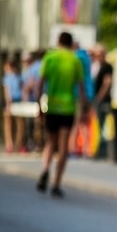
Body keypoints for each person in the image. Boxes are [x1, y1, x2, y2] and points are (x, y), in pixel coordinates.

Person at [36, 31, 87, 198]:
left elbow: (40, 83)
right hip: (67, 108)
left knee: (51, 141)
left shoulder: (50, 58)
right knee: (64, 144)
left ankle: (45, 169)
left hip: (52, 106)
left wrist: (39, 105)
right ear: (71, 44)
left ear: (58, 42)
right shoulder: (75, 60)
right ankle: (56, 183)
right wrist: (84, 108)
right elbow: (81, 87)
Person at [90, 44, 113, 159]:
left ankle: (103, 150)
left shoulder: (107, 67)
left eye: (99, 54)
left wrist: (99, 97)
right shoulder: (97, 66)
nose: (97, 57)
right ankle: (100, 149)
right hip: (98, 99)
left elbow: (107, 83)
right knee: (98, 125)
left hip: (103, 101)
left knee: (103, 126)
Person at [2, 59, 26, 154]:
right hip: (10, 102)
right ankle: (9, 144)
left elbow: (22, 89)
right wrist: (8, 104)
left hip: (18, 101)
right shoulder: (7, 78)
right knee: (8, 124)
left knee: (20, 124)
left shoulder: (19, 77)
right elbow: (7, 91)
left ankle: (19, 144)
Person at [21, 51, 43, 151]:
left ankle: (36, 144)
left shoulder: (35, 68)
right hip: (36, 99)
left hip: (36, 99)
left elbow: (32, 84)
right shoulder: (29, 69)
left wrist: (25, 91)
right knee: (36, 123)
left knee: (35, 124)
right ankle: (36, 144)